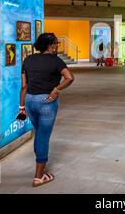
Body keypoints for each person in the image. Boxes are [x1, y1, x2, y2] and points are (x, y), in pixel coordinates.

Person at [18, 33, 74, 187]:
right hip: (46, 102)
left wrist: (21, 106)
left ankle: (40, 166)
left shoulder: (28, 60)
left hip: (29, 101)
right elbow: (69, 77)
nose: (58, 45)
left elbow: (24, 86)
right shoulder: (55, 61)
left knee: (39, 133)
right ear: (51, 45)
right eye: (57, 43)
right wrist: (56, 89)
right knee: (43, 137)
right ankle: (38, 176)